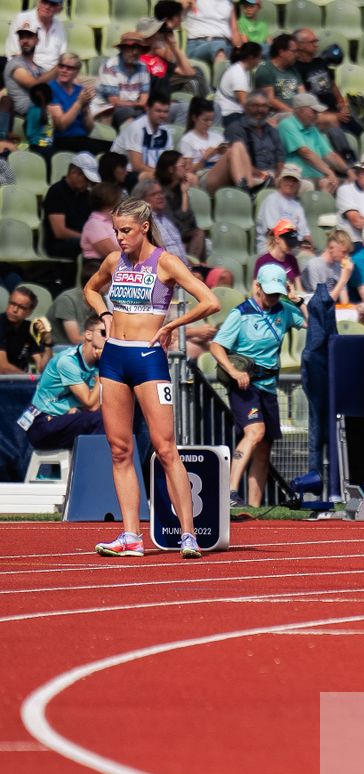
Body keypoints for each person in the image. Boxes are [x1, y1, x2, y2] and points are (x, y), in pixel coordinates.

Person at [82, 194, 218, 559]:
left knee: (165, 447)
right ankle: (130, 536)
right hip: (113, 359)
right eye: (116, 231)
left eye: (126, 230)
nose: (120, 237)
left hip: (148, 358)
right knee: (120, 449)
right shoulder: (114, 261)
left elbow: (209, 301)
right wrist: (106, 316)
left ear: (144, 228)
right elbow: (90, 289)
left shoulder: (166, 262)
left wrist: (173, 323)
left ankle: (188, 535)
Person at [207, 262, 304, 506]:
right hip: (244, 385)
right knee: (255, 432)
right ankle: (229, 492)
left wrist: (297, 301)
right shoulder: (240, 314)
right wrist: (233, 371)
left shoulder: (285, 309)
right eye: (268, 291)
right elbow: (217, 346)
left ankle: (253, 507)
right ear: (257, 287)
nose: (272, 297)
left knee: (264, 448)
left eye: (277, 292)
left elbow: (311, 325)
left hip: (269, 386)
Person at [19, 313, 107, 450]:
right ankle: (97, 469)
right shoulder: (68, 361)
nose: (109, 339)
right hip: (42, 424)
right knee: (100, 419)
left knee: (114, 417)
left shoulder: (98, 363)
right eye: (104, 332)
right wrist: (105, 368)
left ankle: (92, 468)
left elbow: (100, 403)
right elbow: (92, 405)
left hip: (65, 420)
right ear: (88, 335)